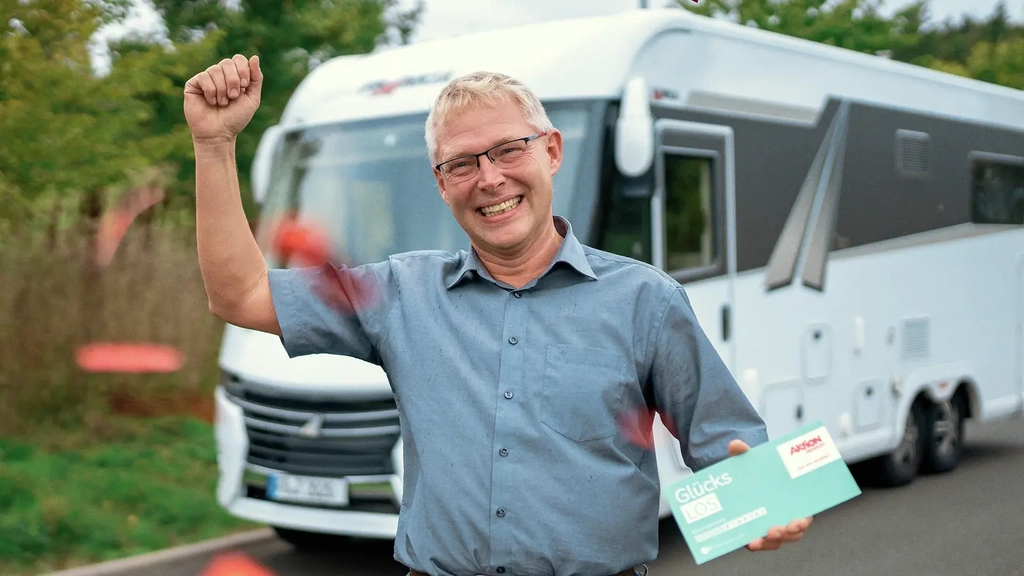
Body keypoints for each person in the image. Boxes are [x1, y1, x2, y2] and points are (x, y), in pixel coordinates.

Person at [183, 54, 813, 576]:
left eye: (508, 150)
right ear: (441, 182)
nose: (489, 178)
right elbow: (240, 295)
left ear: (552, 152)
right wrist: (213, 146)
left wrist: (765, 501)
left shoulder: (645, 300)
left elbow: (728, 445)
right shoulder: (399, 294)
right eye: (461, 163)